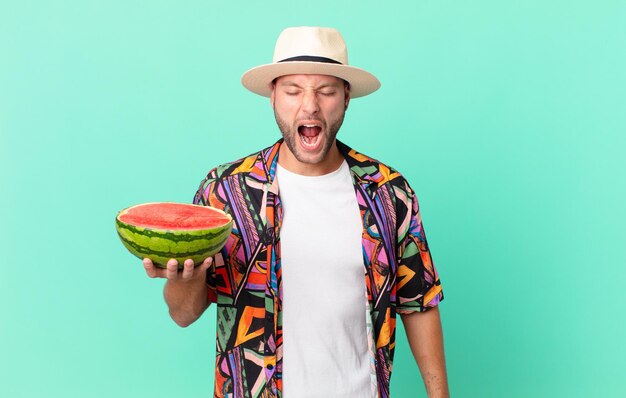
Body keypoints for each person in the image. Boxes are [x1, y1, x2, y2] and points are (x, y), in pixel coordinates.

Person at [143, 26, 448, 398]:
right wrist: (184, 276)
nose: (310, 106)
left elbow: (418, 304)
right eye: (293, 90)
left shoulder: (387, 191)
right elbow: (183, 314)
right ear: (273, 96)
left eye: (326, 91)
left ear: (346, 97)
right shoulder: (226, 192)